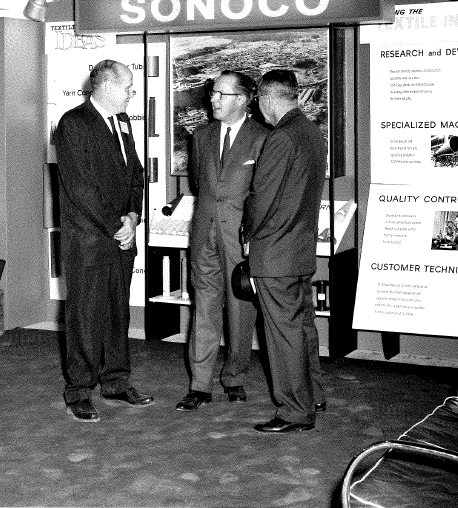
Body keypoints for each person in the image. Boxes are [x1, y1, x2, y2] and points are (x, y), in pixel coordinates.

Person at [54, 59, 153, 422]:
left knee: (117, 312)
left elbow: (136, 175)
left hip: (120, 237)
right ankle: (79, 389)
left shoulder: (122, 122)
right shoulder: (74, 124)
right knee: (85, 315)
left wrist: (134, 216)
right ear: (107, 87)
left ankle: (115, 380)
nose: (132, 93)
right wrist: (118, 224)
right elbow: (81, 187)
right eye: (128, 87)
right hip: (90, 241)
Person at [175, 71, 269, 412]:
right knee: (204, 308)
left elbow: (262, 194)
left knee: (241, 309)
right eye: (213, 93)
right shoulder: (201, 136)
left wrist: (251, 236)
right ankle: (199, 384)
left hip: (241, 239)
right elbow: (200, 185)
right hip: (204, 236)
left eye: (220, 94)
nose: (212, 99)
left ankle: (234, 377)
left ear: (243, 100)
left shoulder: (263, 137)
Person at [242, 69, 327, 433]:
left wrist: (248, 234)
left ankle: (294, 411)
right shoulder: (311, 133)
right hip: (300, 249)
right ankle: (313, 395)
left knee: (283, 334)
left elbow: (262, 198)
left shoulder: (280, 138)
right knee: (303, 327)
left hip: (275, 252)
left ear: (267, 98)